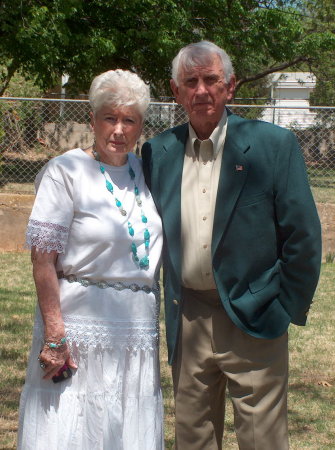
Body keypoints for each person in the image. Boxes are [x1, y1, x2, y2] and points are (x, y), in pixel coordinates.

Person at [142, 41, 322, 450]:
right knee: (193, 436)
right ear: (175, 91)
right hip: (187, 316)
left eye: (211, 80)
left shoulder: (273, 146)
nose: (201, 90)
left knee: (262, 440)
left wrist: (283, 307)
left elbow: (304, 237)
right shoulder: (158, 152)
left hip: (254, 315)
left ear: (231, 87)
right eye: (190, 81)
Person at [18, 69, 164, 449]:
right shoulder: (65, 171)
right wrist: (55, 335)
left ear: (141, 125)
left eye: (128, 120)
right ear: (93, 120)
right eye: (109, 118)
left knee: (123, 426)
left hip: (134, 329)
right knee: (74, 427)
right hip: (79, 329)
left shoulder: (144, 171)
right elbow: (42, 261)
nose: (118, 129)